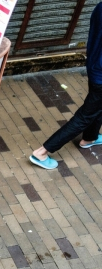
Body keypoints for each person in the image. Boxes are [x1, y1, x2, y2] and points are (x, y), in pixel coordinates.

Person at [30, 3, 102, 169]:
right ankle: (42, 152)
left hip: (94, 66)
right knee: (85, 115)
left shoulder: (100, 6)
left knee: (96, 106)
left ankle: (89, 138)